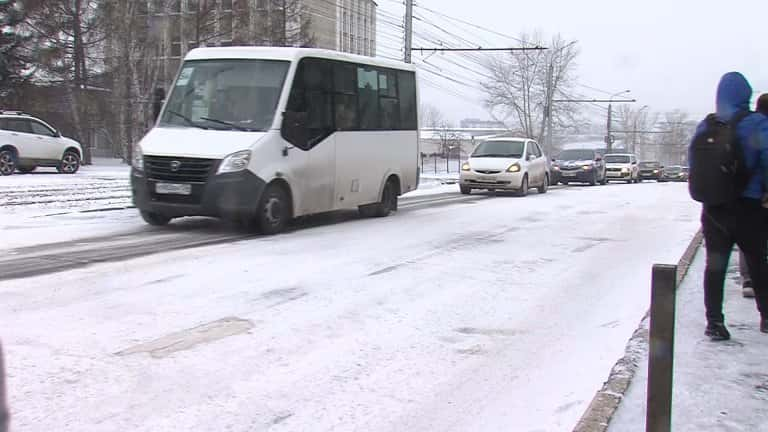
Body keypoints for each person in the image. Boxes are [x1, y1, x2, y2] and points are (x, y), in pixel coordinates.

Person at [694, 72, 768, 340]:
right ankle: (766, 316)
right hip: (749, 206)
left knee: (715, 266)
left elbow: (696, 166)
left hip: (714, 208)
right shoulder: (757, 123)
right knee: (758, 261)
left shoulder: (707, 126)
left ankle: (714, 322)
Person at [737, 93, 768, 298]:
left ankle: (748, 279)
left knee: (749, 241)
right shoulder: (762, 127)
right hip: (761, 194)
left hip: (745, 196)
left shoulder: (746, 126)